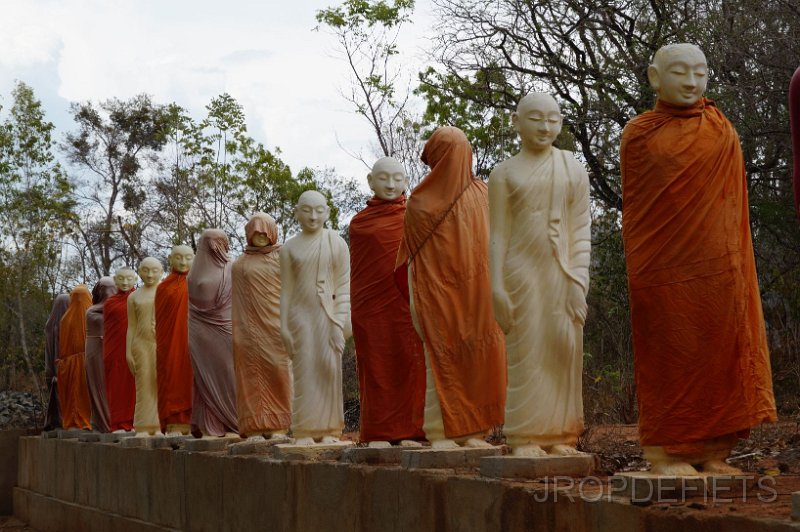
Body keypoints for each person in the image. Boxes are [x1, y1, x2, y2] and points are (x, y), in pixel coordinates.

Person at [620, 43, 776, 474]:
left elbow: (732, 205)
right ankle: (664, 452)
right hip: (662, 270)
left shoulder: (720, 128)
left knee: (717, 353)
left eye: (700, 73)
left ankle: (712, 451)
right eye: (680, 72)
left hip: (719, 268)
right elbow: (640, 211)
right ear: (655, 77)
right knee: (670, 354)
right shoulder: (641, 133)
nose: (691, 82)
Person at [489, 93, 591, 456]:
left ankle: (560, 435)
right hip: (522, 271)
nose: (545, 126)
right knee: (527, 351)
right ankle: (525, 435)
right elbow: (498, 234)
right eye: (536, 118)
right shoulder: (503, 173)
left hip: (562, 272)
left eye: (553, 118)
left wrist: (579, 281)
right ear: (517, 122)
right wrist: (496, 287)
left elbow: (580, 229)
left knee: (562, 348)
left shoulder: (572, 167)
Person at [395, 126, 506, 448]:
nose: (460, 157)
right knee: (440, 360)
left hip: (479, 292)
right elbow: (414, 261)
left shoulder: (484, 193)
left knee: (478, 358)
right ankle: (439, 430)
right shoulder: (419, 203)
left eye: (463, 149)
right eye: (452, 151)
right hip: (436, 293)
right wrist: (417, 301)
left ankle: (474, 432)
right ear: (438, 157)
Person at [350, 157, 425, 444]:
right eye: (383, 178)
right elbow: (359, 271)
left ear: (407, 181)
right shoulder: (359, 224)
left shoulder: (415, 216)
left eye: (398, 178)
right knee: (376, 366)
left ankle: (412, 430)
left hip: (406, 304)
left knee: (409, 364)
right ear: (370, 181)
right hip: (370, 308)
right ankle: (379, 430)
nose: (391, 184)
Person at [280, 190, 351, 445]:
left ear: (328, 213)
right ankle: (304, 430)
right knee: (304, 370)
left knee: (328, 368)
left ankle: (330, 429)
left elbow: (343, 285)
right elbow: (286, 290)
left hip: (328, 315)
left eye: (319, 210)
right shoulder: (288, 248)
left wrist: (340, 321)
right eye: (307, 210)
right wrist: (283, 327)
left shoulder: (336, 242)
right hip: (300, 316)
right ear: (297, 212)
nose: (313, 216)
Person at [232, 213, 292, 440]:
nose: (260, 237)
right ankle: (254, 426)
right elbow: (237, 304)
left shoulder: (284, 257)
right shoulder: (239, 265)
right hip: (249, 331)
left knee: (280, 370)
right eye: (255, 233)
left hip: (278, 326)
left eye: (264, 232)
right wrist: (239, 333)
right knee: (250, 377)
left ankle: (279, 425)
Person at [187, 229, 238, 437]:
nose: (220, 246)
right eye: (216, 242)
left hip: (224, 329)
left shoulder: (232, 267)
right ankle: (213, 423)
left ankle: (232, 420)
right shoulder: (195, 273)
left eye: (223, 242)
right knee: (204, 379)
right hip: (202, 333)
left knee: (228, 373)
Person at [156, 245, 195, 435]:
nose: (183, 262)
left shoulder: (198, 283)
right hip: (170, 341)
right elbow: (160, 318)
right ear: (170, 259)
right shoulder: (163, 287)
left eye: (188, 258)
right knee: (171, 375)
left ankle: (195, 421)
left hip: (193, 339)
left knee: (192, 378)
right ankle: (174, 422)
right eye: (178, 257)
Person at [127, 257, 164, 436]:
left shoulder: (165, 291)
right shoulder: (134, 296)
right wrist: (128, 352)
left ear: (161, 272)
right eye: (146, 270)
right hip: (141, 343)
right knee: (143, 384)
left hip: (162, 342)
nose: (150, 275)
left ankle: (160, 425)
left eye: (154, 270)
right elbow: (131, 326)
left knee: (160, 384)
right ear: (139, 271)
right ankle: (143, 426)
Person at [104, 267, 137, 432]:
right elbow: (109, 330)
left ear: (135, 280)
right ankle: (116, 422)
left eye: (129, 279)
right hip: (114, 351)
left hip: (136, 349)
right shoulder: (110, 303)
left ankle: (132, 422)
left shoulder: (140, 299)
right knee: (116, 386)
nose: (125, 283)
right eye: (121, 279)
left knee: (134, 386)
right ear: (115, 281)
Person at [57, 285, 93, 430]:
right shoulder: (92, 314)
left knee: (73, 397)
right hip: (87, 362)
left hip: (69, 365)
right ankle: (88, 422)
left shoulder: (65, 319)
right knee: (86, 397)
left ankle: (73, 422)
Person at [85, 277, 116, 433]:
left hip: (112, 350)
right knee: (98, 385)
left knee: (112, 386)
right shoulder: (91, 311)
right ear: (99, 290)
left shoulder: (117, 308)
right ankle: (101, 422)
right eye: (106, 289)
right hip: (95, 350)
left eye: (113, 288)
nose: (110, 292)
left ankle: (113, 421)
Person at [43, 294, 69, 430]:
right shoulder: (64, 326)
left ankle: (56, 425)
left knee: (54, 400)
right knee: (63, 401)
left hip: (50, 371)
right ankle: (63, 425)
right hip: (62, 369)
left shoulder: (49, 325)